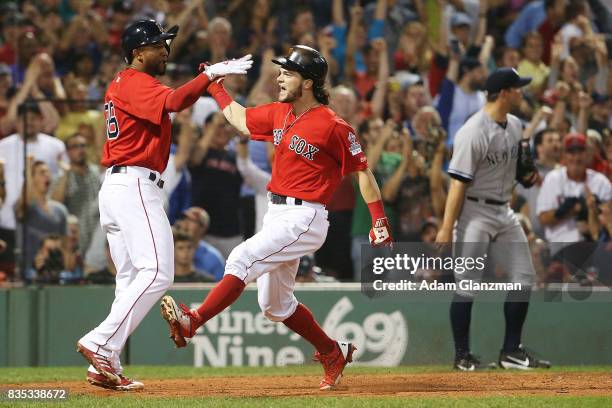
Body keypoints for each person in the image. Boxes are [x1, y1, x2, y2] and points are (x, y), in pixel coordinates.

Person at [160, 45, 392, 390]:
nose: (279, 77)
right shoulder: (280, 113)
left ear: (309, 82)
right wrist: (215, 86)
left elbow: (362, 172)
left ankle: (193, 321)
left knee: (242, 256)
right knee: (274, 305)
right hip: (277, 213)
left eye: (288, 72)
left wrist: (379, 220)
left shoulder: (334, 126)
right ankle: (332, 352)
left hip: (306, 217)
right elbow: (239, 120)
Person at [75, 19, 252, 391]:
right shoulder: (133, 81)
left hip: (123, 185)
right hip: (134, 184)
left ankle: (105, 362)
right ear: (137, 53)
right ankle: (99, 342)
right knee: (158, 273)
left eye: (167, 43)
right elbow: (174, 102)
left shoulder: (128, 83)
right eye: (158, 45)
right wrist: (211, 76)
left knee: (130, 279)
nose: (166, 50)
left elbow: (169, 102)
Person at [435, 68, 551, 371]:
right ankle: (462, 356)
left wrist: (526, 175)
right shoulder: (473, 131)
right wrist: (447, 227)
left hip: (504, 210)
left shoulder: (514, 125)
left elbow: (516, 170)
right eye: (517, 87)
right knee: (467, 284)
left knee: (525, 277)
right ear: (503, 93)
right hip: (475, 213)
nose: (521, 91)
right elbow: (458, 184)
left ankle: (511, 351)